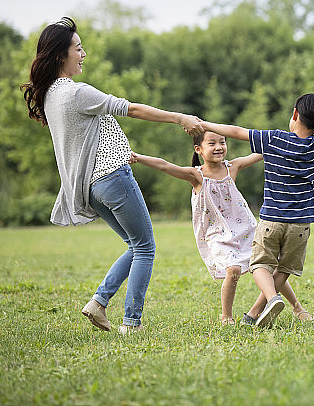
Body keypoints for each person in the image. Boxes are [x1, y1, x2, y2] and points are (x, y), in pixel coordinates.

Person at [21, 17, 205, 335]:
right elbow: (132, 109)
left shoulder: (51, 95)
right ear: (61, 56)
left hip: (91, 187)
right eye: (78, 48)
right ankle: (132, 323)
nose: (83, 54)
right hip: (112, 177)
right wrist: (180, 118)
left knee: (134, 245)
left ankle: (98, 303)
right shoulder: (76, 93)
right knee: (145, 247)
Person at [200, 94, 314, 327]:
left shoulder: (273, 139)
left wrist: (203, 124)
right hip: (301, 224)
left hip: (271, 220)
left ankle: (272, 299)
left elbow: (236, 131)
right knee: (285, 268)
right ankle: (254, 313)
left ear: (295, 114)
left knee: (259, 265)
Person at [130, 131, 312, 325]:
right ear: (198, 149)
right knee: (233, 270)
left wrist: (287, 140)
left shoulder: (233, 167)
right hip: (217, 234)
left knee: (269, 267)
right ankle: (226, 317)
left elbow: (263, 151)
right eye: (212, 143)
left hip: (247, 229)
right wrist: (138, 157)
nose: (219, 147)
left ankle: (297, 307)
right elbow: (165, 165)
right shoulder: (196, 175)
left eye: (222, 142)